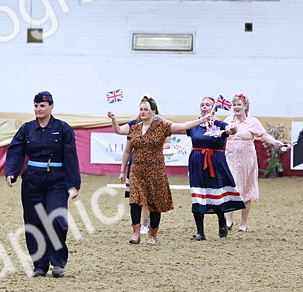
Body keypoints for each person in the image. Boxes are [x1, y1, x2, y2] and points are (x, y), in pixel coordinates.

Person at [108, 96, 206, 245]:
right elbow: (127, 151)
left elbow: (182, 127)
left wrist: (201, 120)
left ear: (153, 111)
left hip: (155, 170)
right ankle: (136, 233)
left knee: (155, 202)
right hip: (137, 170)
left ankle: (153, 235)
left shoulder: (162, 127)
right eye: (141, 109)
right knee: (135, 201)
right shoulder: (134, 128)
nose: (142, 112)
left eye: (146, 109)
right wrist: (122, 170)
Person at [4, 91, 81, 277]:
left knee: (57, 220)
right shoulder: (27, 129)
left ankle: (58, 263)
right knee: (34, 222)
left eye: (42, 106)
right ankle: (40, 264)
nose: (38, 109)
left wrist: (73, 184)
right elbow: (15, 150)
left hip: (57, 180)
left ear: (51, 107)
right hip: (32, 180)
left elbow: (70, 157)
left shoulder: (63, 129)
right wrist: (12, 172)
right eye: (36, 106)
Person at [225, 93, 288, 233]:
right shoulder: (228, 120)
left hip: (247, 161)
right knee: (230, 187)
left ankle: (243, 223)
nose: (236, 107)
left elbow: (264, 135)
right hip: (229, 158)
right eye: (234, 104)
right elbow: (220, 135)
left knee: (246, 190)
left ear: (245, 106)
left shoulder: (253, 121)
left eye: (239, 104)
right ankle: (228, 220)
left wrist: (275, 142)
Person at [184, 96, 243, 241]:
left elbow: (231, 131)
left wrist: (233, 128)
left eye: (208, 105)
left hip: (216, 163)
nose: (204, 107)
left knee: (215, 195)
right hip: (197, 164)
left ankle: (222, 221)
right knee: (198, 195)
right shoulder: (194, 126)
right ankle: (200, 232)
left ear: (214, 108)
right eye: (202, 105)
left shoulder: (221, 125)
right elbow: (178, 127)